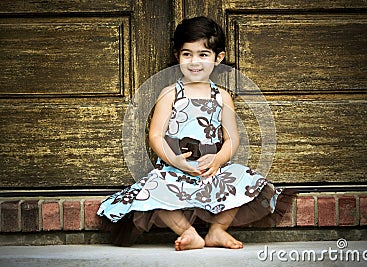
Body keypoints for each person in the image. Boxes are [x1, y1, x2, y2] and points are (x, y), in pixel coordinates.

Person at [97, 16, 292, 251]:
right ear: (177, 56)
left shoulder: (222, 97)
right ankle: (188, 233)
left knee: (243, 180)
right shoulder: (170, 94)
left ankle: (217, 230)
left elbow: (232, 139)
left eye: (203, 54)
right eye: (187, 54)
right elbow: (156, 135)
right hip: (174, 168)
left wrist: (219, 159)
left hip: (211, 169)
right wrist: (174, 160)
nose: (194, 62)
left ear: (218, 58)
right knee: (153, 188)